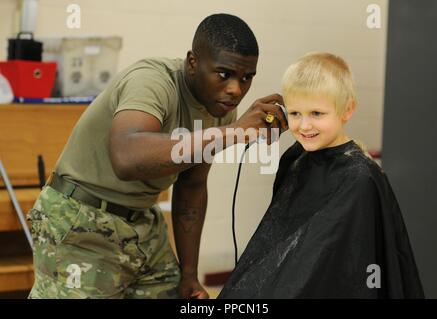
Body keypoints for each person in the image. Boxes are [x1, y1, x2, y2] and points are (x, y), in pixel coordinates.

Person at [27, 13, 287, 299]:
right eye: (224, 74)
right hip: (81, 218)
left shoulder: (220, 108)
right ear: (192, 63)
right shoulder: (152, 80)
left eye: (246, 77)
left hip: (142, 221)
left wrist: (190, 274)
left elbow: (192, 185)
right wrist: (233, 133)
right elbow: (127, 158)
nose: (236, 89)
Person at [218, 52, 424, 298]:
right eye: (295, 113)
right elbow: (280, 241)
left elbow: (330, 266)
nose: (304, 126)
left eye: (317, 113)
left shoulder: (359, 178)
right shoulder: (296, 158)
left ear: (347, 110)